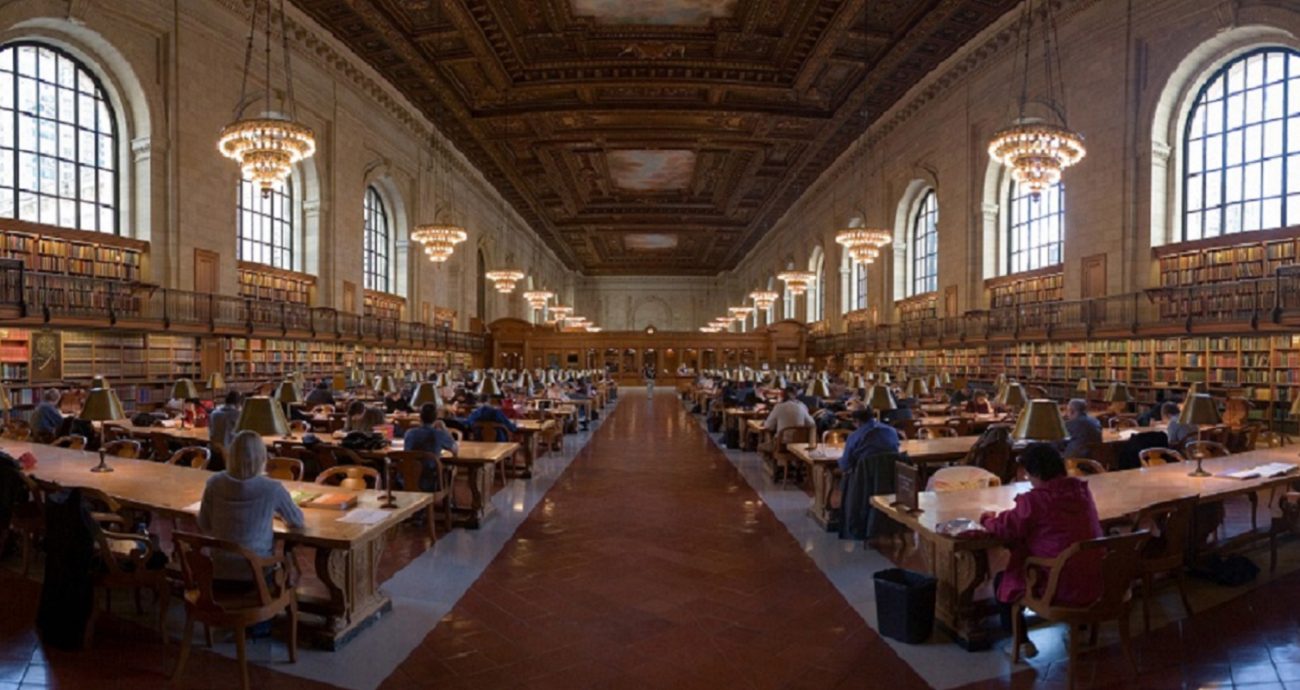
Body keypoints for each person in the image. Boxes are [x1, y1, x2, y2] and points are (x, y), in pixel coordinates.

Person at [980, 443, 1103, 659]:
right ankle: (1081, 631)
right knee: (1074, 558)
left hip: (1059, 584)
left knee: (1003, 579)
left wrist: (987, 518)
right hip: (1097, 577)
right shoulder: (1081, 491)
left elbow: (1006, 528)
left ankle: (1021, 641)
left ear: (1035, 473)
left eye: (1028, 475)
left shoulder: (1036, 500)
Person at [197, 431, 305, 582]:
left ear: (231, 455)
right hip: (257, 575)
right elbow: (297, 521)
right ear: (262, 457)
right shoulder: (272, 488)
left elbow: (204, 524)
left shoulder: (214, 483)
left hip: (218, 571)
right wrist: (274, 514)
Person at [402, 403, 459, 492]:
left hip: (407, 478)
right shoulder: (439, 434)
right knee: (449, 470)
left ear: (420, 418)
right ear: (436, 418)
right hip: (431, 479)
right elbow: (455, 450)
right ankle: (447, 501)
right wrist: (444, 429)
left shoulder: (409, 433)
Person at [838, 407, 901, 472]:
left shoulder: (854, 436)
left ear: (857, 421)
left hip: (863, 478)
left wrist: (840, 460)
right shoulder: (892, 431)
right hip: (890, 475)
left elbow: (845, 466)